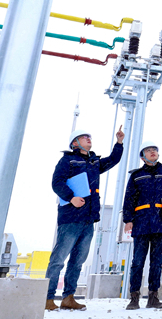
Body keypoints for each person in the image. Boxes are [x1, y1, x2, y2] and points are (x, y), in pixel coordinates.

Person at [46, 126, 124, 311]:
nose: (89, 138)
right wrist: (71, 197)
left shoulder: (94, 162)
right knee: (58, 259)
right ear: (74, 143)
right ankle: (47, 297)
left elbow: (112, 160)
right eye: (84, 137)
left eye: (89, 137)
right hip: (70, 218)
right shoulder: (67, 160)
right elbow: (56, 182)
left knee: (78, 261)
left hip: (88, 219)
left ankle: (68, 298)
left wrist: (119, 143)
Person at [122, 141, 162, 310]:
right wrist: (128, 219)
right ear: (142, 157)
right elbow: (129, 198)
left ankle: (153, 297)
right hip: (141, 223)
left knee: (156, 262)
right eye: (148, 150)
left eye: (154, 149)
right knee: (137, 262)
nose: (152, 152)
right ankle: (134, 297)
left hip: (160, 223)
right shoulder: (136, 175)